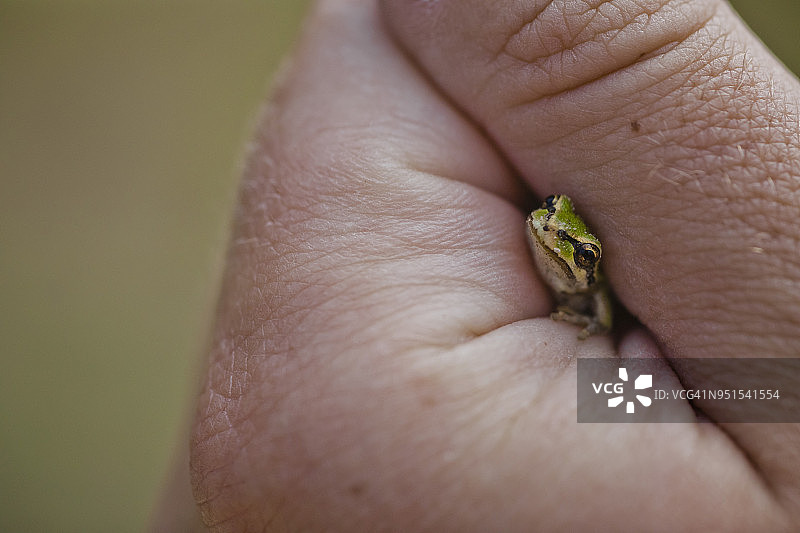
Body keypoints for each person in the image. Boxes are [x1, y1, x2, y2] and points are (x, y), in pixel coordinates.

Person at [154, 0, 800, 530]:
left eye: (574, 244)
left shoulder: (591, 296)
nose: (550, 229)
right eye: (550, 215)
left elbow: (619, 341)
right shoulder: (543, 226)